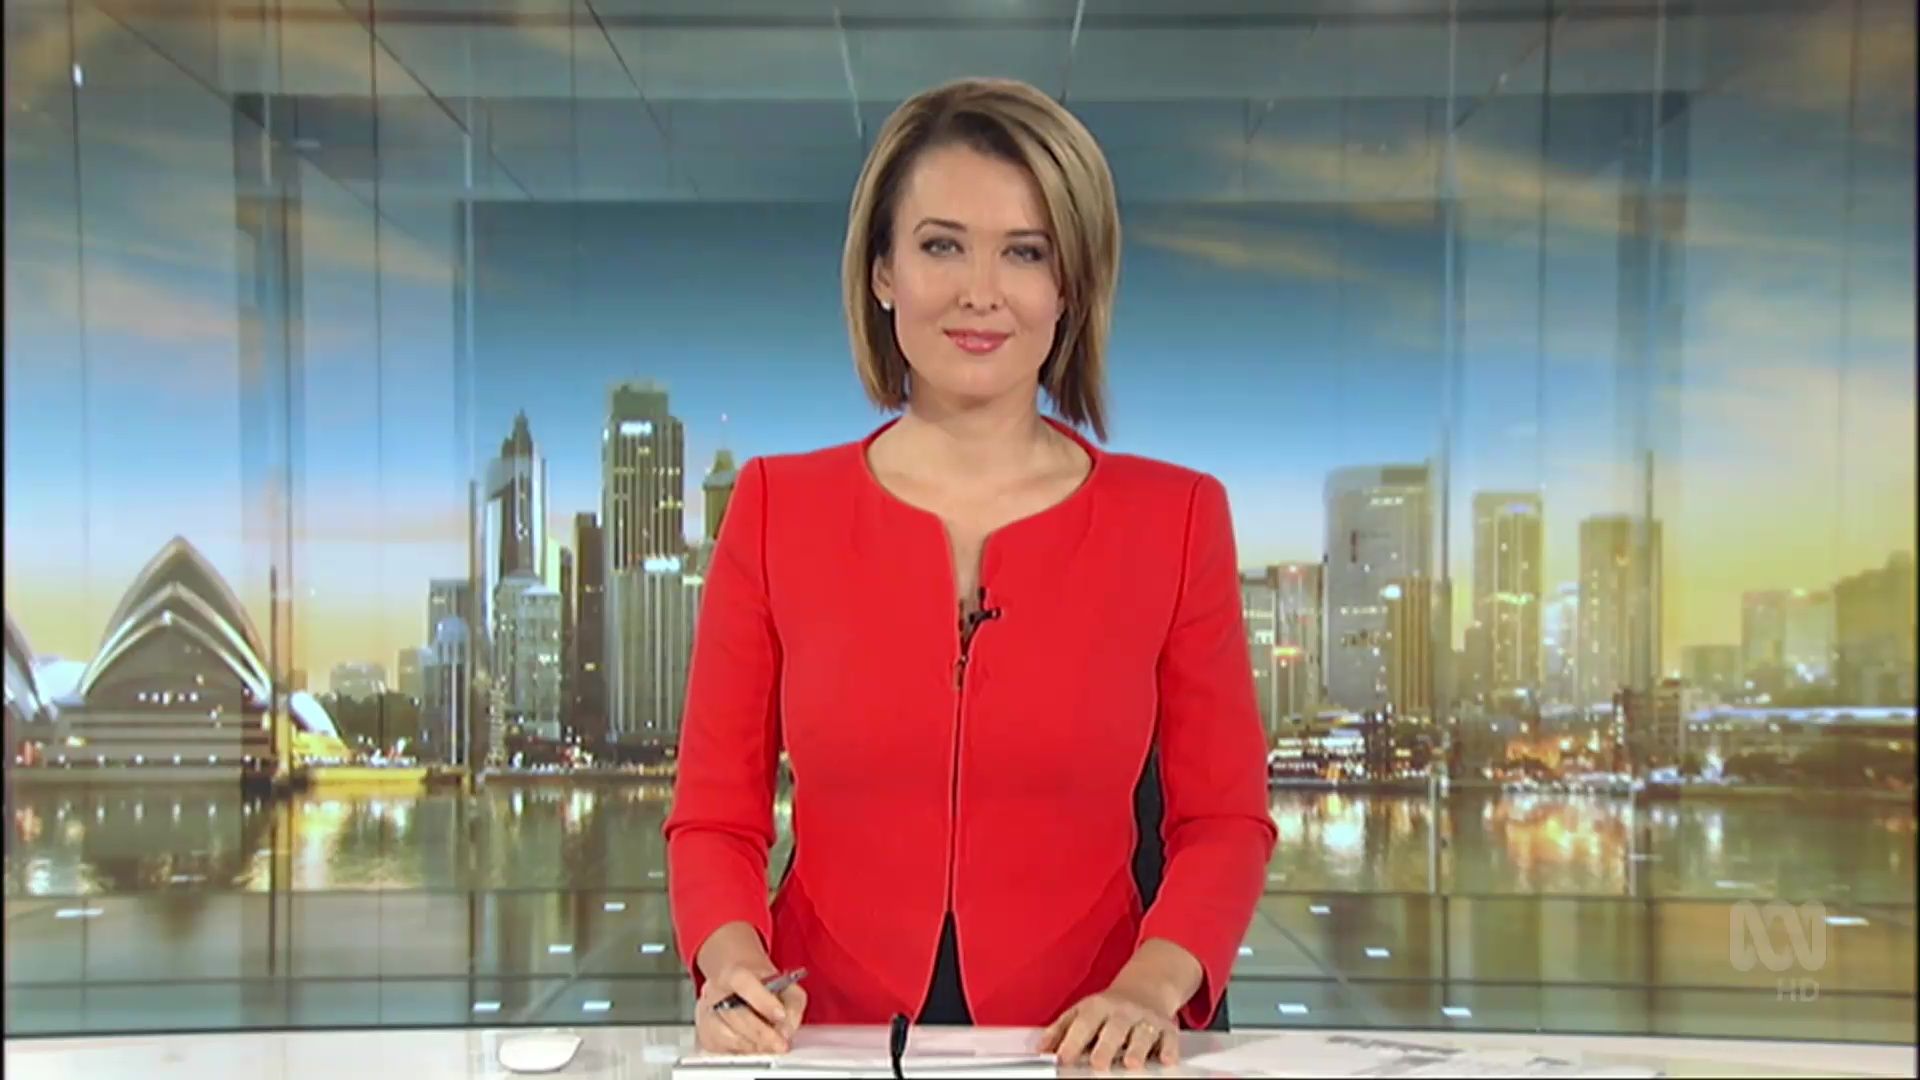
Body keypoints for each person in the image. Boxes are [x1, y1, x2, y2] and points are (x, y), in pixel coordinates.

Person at [665, 76, 1276, 1072]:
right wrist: (732, 967)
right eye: (942, 246)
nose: (980, 292)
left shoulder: (1176, 519)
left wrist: (1148, 990)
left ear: (1071, 285)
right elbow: (714, 818)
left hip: (1088, 1045)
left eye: (1025, 252)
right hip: (825, 1042)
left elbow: (1223, 822)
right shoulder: (775, 508)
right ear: (882, 272)